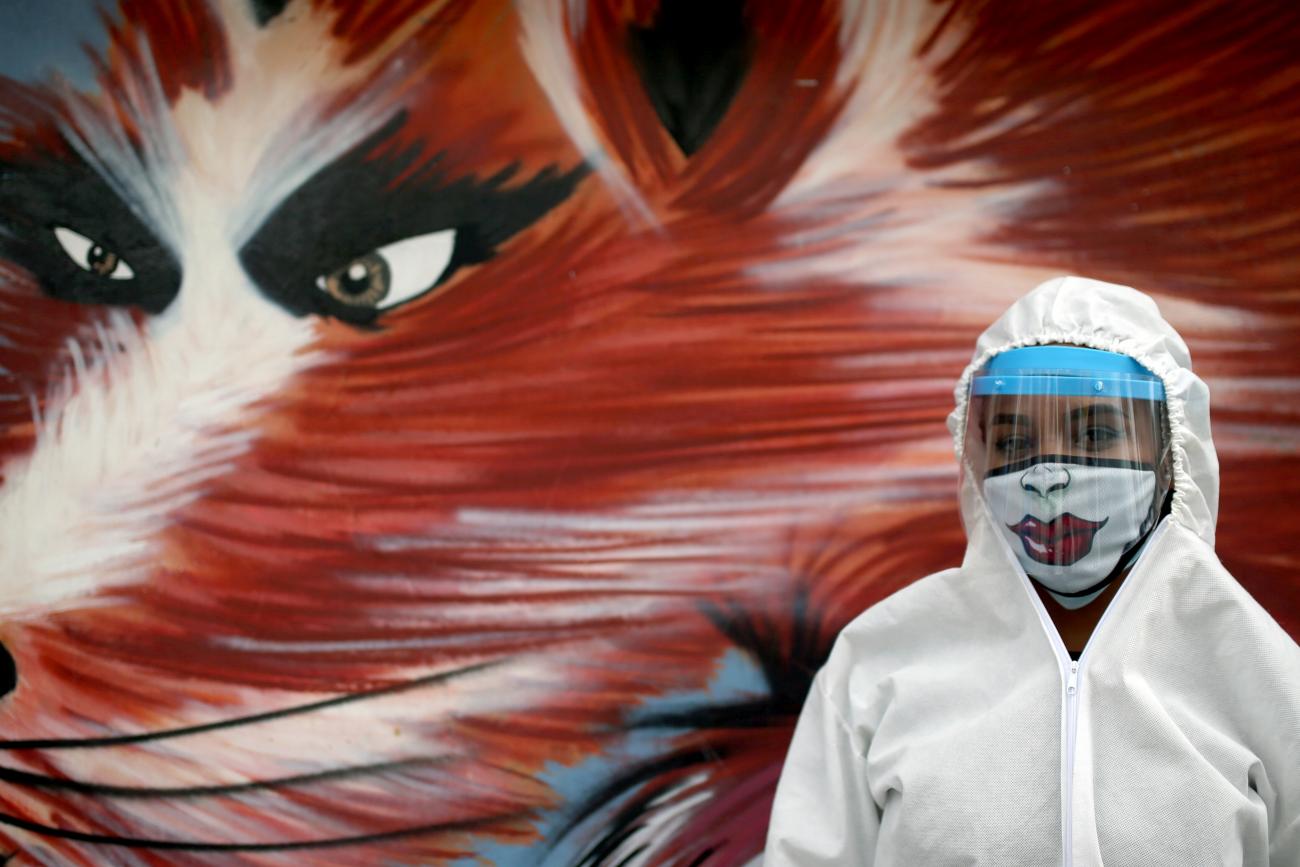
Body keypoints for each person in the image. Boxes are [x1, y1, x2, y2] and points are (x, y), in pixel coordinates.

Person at [764, 276, 1300, 866]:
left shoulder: (1259, 674)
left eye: (1096, 433)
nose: (1047, 476)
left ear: (1171, 454)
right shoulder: (876, 668)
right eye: (1015, 441)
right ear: (974, 459)